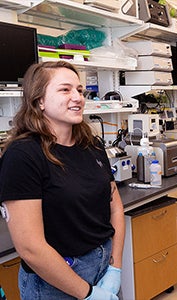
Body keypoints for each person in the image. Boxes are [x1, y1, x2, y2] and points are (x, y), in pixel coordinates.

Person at [0, 61, 125, 300]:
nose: (77, 97)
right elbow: (30, 248)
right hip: (55, 281)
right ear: (40, 101)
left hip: (103, 267)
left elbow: (115, 207)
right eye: (65, 89)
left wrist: (115, 268)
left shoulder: (92, 145)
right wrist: (88, 294)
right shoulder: (23, 155)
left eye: (79, 90)